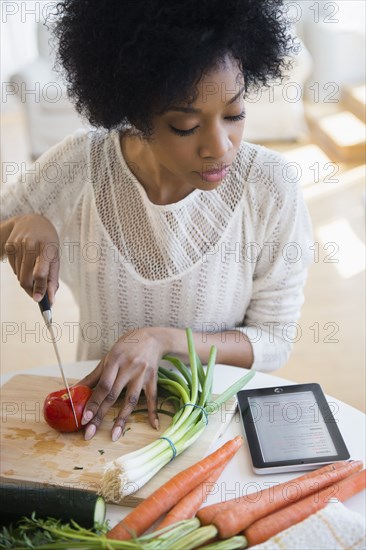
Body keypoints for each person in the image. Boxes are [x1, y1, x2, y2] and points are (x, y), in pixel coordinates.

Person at [0, 0, 312, 442]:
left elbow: (274, 339)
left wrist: (164, 340)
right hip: (98, 426)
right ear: (136, 112)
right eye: (185, 126)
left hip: (209, 429)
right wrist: (22, 225)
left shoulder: (271, 188)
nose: (220, 147)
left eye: (235, 114)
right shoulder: (80, 164)